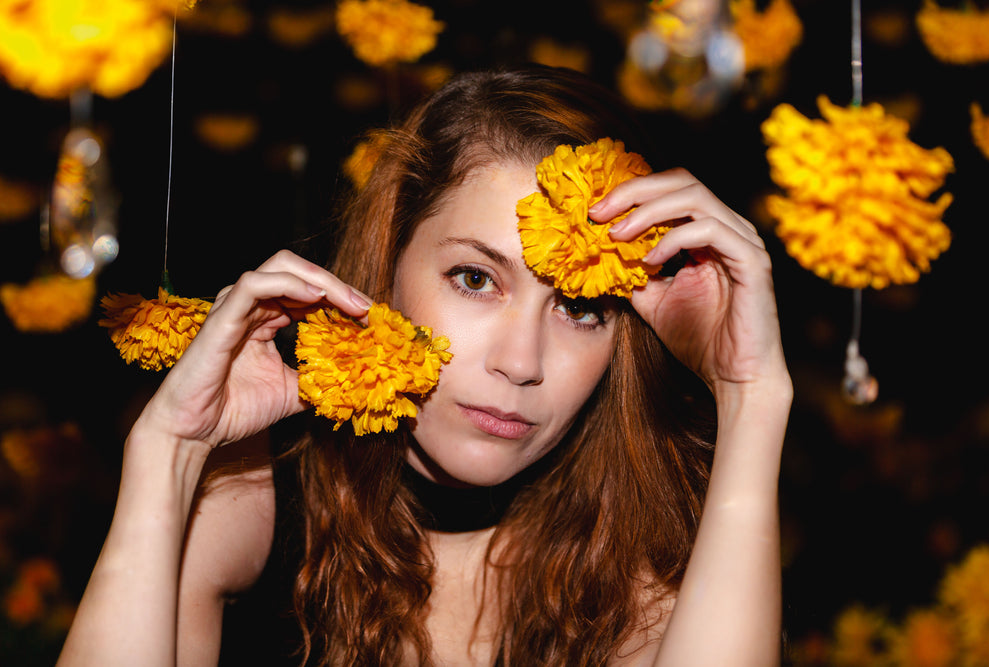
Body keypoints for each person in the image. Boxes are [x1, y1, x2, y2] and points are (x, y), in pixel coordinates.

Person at [56, 64, 792, 666]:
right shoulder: (254, 490)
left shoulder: (643, 552)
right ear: (391, 262)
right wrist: (170, 450)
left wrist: (753, 393)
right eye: (476, 278)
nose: (520, 362)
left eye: (581, 307)